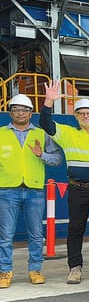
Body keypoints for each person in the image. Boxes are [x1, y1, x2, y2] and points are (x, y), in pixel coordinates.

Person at [40, 80, 89, 284]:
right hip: (77, 190)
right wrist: (48, 101)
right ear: (76, 116)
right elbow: (45, 124)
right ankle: (75, 268)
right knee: (75, 230)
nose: (85, 116)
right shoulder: (67, 133)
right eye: (81, 113)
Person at [0, 94, 62, 288]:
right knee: (6, 235)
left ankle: (35, 270)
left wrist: (41, 154)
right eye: (16, 110)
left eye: (24, 110)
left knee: (35, 234)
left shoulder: (41, 135)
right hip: (7, 191)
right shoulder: (1, 133)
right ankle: (4, 272)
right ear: (10, 112)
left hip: (34, 191)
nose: (20, 113)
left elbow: (57, 159)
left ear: (30, 113)